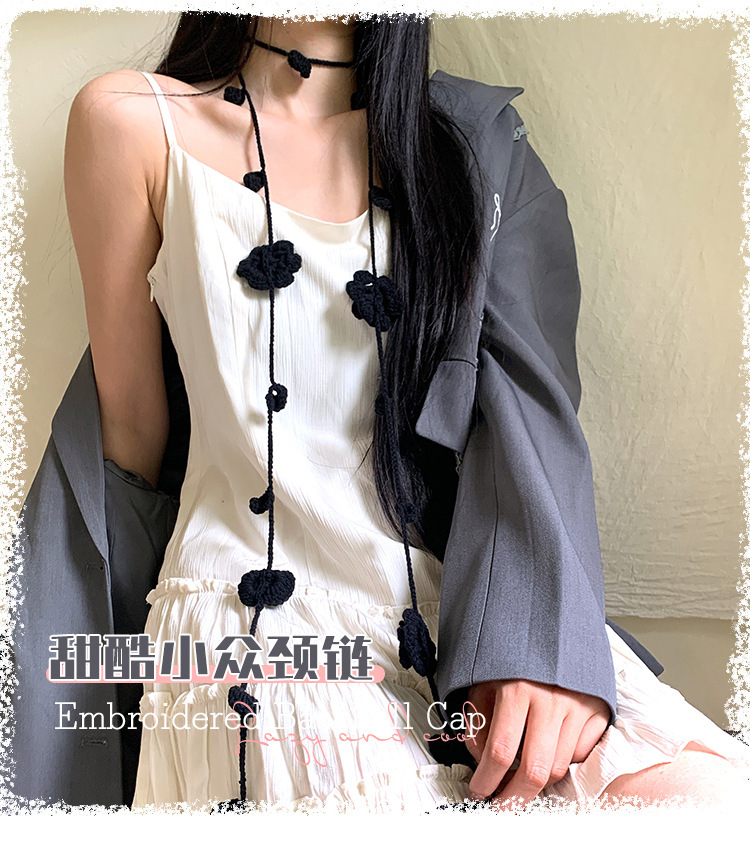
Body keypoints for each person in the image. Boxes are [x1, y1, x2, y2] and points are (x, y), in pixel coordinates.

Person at [61, 12, 750, 812]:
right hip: (258, 634)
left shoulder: (469, 148)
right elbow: (132, 449)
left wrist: (542, 635)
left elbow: (530, 413)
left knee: (714, 805)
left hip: (467, 617)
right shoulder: (132, 121)